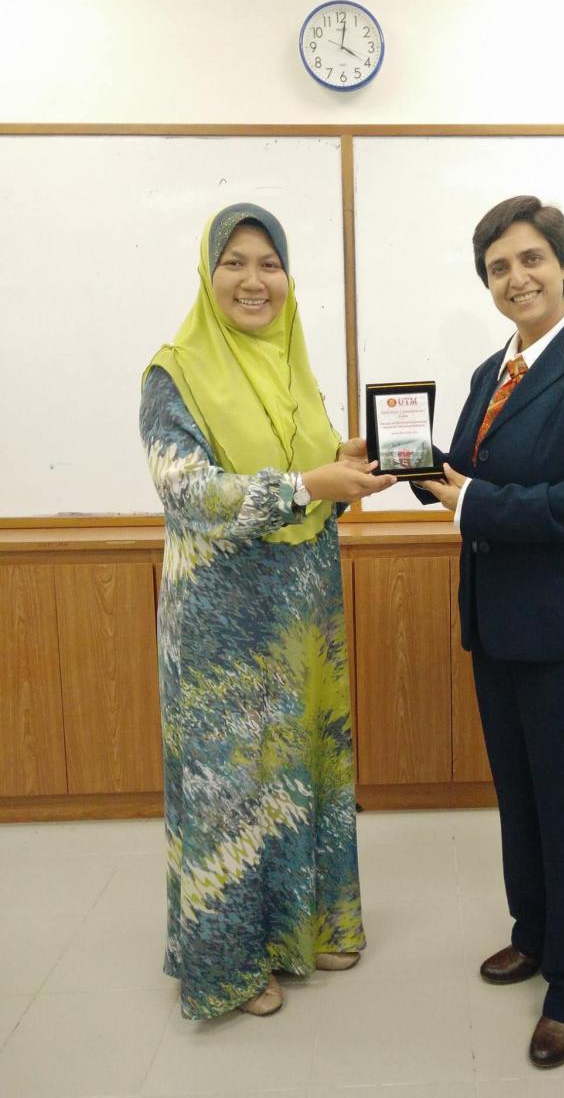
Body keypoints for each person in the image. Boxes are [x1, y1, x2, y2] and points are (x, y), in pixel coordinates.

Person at [140, 202, 395, 1020]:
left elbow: (310, 483)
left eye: (270, 264)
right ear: (208, 272)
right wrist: (307, 484)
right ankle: (232, 964)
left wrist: (343, 468)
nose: (255, 281)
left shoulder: (294, 366)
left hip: (300, 621)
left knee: (300, 775)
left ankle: (305, 930)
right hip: (222, 631)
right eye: (235, 262)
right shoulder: (173, 374)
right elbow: (189, 493)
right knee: (233, 789)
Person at [419, 195, 564, 1068]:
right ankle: (536, 935)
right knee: (522, 802)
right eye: (498, 268)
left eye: (530, 260)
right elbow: (466, 475)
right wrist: (400, 461)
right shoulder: (495, 370)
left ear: (563, 265)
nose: (516, 278)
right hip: (501, 626)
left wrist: (476, 502)